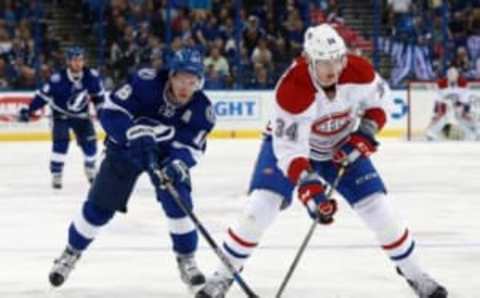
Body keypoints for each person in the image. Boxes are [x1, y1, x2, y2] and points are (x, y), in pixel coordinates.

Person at [196, 24, 448, 298]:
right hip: (290, 149)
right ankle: (223, 276)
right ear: (309, 60)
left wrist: (365, 133)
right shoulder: (292, 89)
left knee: (380, 209)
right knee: (259, 208)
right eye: (324, 62)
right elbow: (290, 150)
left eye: (337, 60)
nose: (333, 68)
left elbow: (381, 103)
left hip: (340, 145)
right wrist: (309, 188)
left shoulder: (358, 71)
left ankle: (415, 274)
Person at [48, 48, 215, 290]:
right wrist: (130, 134)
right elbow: (110, 113)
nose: (185, 86)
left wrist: (177, 165)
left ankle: (186, 259)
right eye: (181, 78)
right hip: (125, 148)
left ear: (199, 82)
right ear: (171, 75)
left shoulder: (202, 110)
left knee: (179, 203)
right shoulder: (145, 83)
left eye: (192, 81)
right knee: (99, 208)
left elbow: (189, 148)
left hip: (164, 156)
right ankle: (71, 253)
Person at [18, 47, 105, 189]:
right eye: (74, 60)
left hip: (82, 116)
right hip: (60, 115)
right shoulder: (57, 79)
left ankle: (89, 167)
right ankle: (56, 173)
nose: (78, 63)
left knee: (91, 146)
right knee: (61, 143)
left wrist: (101, 111)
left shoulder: (92, 77)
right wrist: (29, 110)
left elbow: (99, 97)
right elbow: (42, 97)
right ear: (68, 62)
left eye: (80, 60)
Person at [425, 66, 479, 141]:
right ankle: (431, 132)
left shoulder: (463, 83)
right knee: (444, 115)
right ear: (447, 76)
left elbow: (465, 99)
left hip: (459, 105)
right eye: (450, 74)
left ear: (457, 76)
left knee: (462, 115)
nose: (452, 76)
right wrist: (441, 111)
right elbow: (438, 99)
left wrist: (461, 108)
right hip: (446, 105)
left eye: (454, 74)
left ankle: (475, 130)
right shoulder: (441, 84)